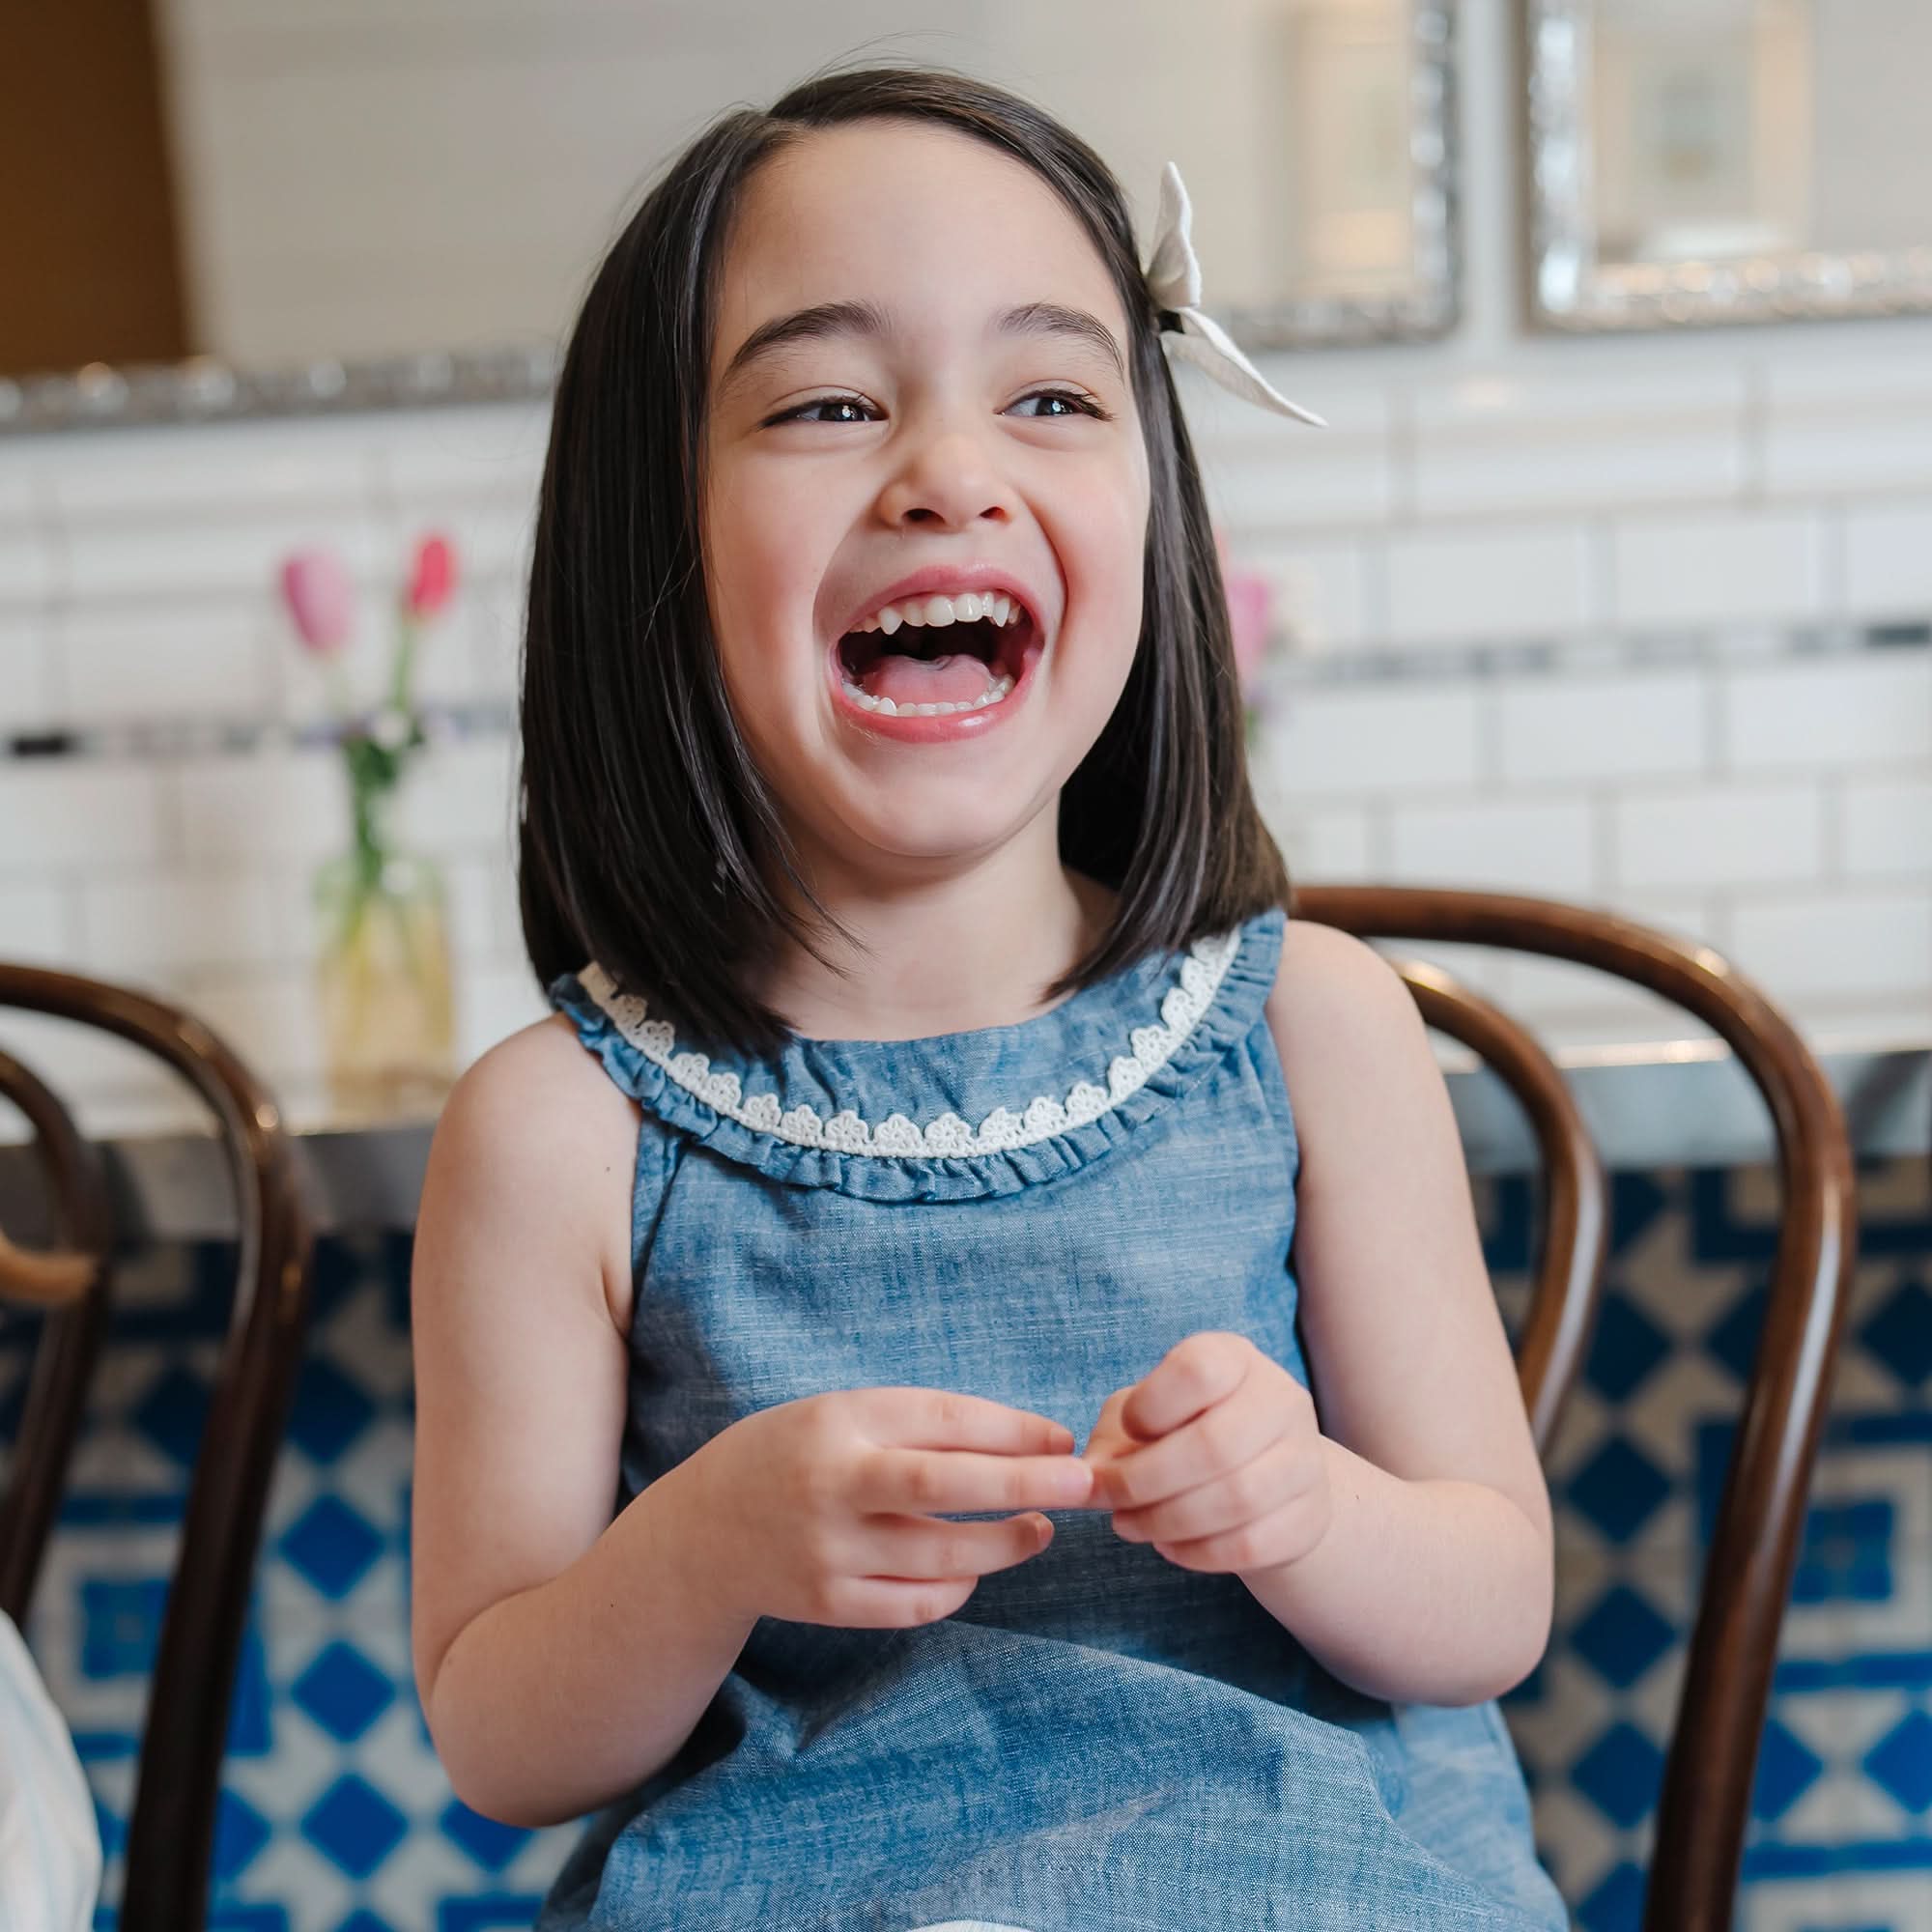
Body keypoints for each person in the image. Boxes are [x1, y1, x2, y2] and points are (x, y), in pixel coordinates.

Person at [407, 64, 1570, 1932]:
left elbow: (1491, 1605)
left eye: (1049, 394)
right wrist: (699, 1550)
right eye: (828, 401)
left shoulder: (1313, 1033)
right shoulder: (563, 1135)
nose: (951, 469)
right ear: (653, 537)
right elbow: (503, 1737)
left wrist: (1313, 1511)